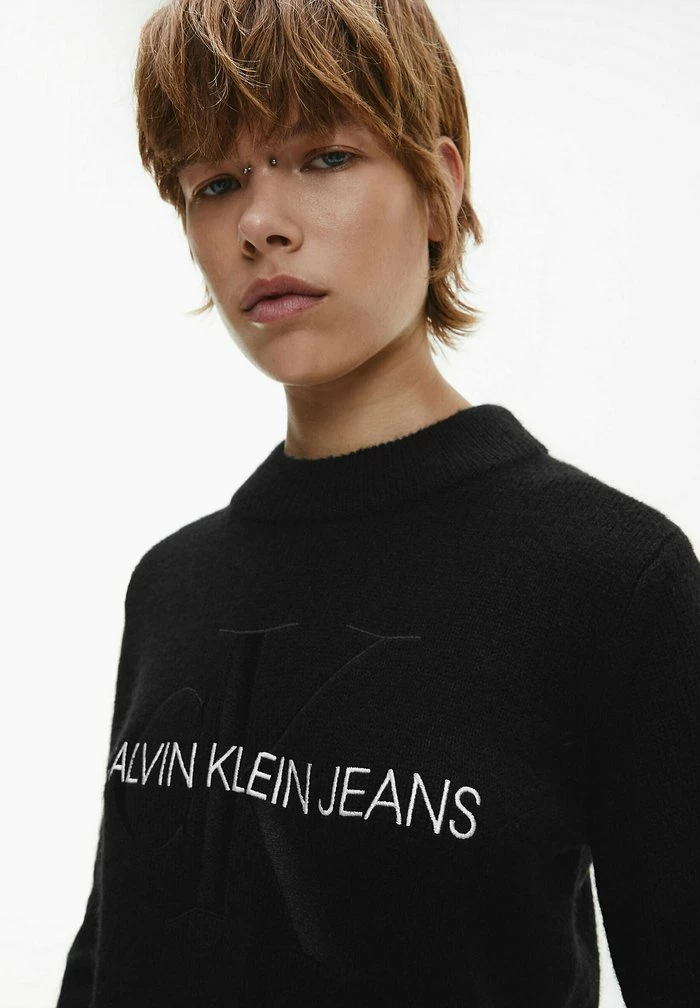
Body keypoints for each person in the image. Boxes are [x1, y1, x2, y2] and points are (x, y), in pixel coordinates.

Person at [56, 1, 700, 1006]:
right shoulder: (173, 584)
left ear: (439, 191)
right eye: (216, 183)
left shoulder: (613, 578)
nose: (260, 224)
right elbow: (108, 960)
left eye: (324, 157)